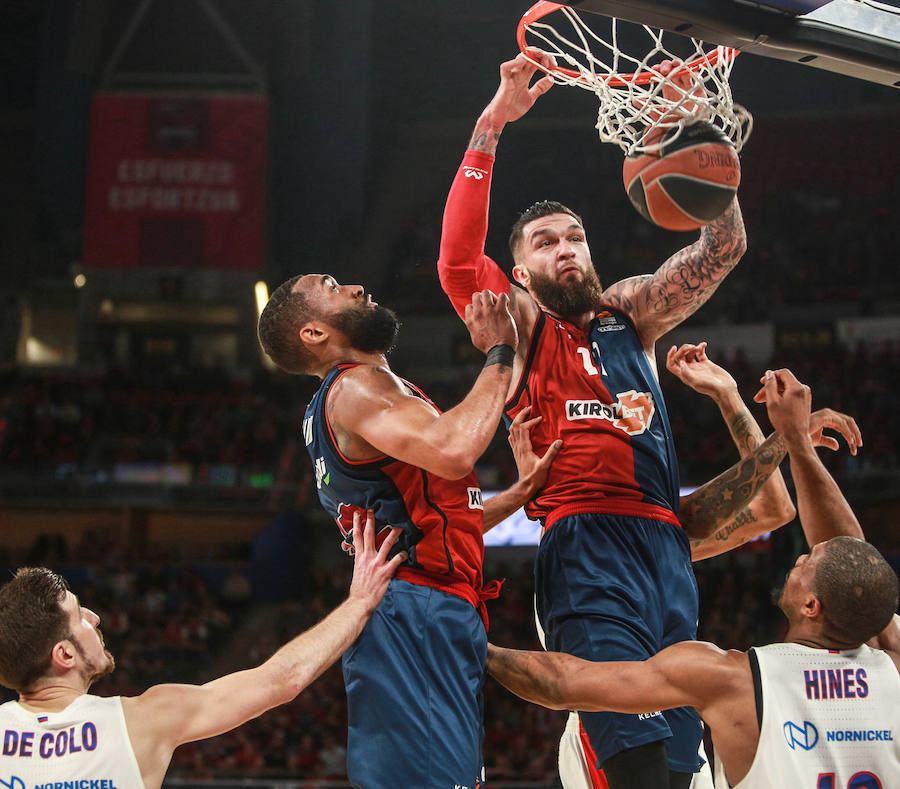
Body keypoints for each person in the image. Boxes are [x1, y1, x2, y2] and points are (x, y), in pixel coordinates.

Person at [436, 48, 781, 787]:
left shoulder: (631, 311)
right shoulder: (521, 323)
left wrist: (691, 127)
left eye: (575, 236)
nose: (566, 248)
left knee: (685, 768)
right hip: (584, 541)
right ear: (521, 271)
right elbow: (458, 262)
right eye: (545, 242)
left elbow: (726, 247)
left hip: (666, 546)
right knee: (639, 764)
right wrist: (491, 122)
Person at [487, 368, 900, 788]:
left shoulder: (732, 675)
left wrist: (467, 638)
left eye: (806, 563)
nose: (797, 559)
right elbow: (850, 569)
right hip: (649, 723)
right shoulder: (889, 661)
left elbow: (561, 683)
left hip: (634, 712)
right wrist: (745, 408)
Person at [256, 275, 559, 788]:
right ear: (312, 332)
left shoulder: (355, 397)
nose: (355, 286)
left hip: (425, 607)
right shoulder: (356, 387)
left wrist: (520, 492)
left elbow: (427, 522)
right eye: (331, 286)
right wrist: (501, 349)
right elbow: (454, 450)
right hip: (413, 611)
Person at [0, 512, 404, 789]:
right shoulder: (143, 720)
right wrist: (359, 601)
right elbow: (282, 679)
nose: (94, 617)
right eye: (78, 615)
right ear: (64, 655)